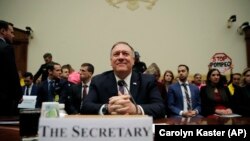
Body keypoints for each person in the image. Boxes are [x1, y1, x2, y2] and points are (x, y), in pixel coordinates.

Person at [80, 41, 165, 119]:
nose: (121, 57)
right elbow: (85, 107)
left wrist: (135, 109)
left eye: (125, 54)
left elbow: (160, 108)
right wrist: (107, 108)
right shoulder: (98, 81)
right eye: (116, 54)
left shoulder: (147, 81)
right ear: (111, 61)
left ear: (133, 61)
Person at [0, 20, 22, 116]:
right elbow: (12, 73)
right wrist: (19, 94)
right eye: (11, 32)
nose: (13, 36)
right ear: (3, 31)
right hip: (4, 97)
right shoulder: (6, 48)